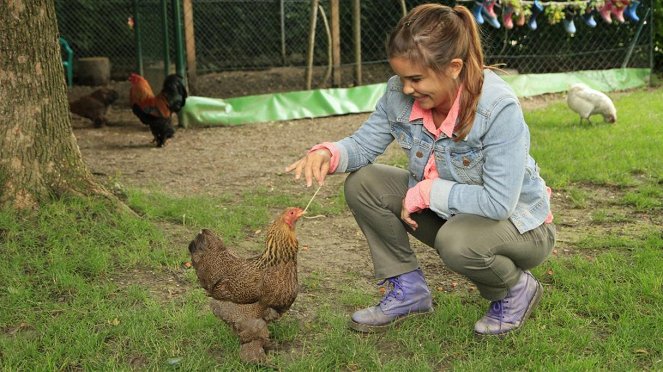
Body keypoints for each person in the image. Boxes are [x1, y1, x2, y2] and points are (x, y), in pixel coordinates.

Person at [286, 3, 556, 336]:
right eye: (401, 77)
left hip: (520, 226)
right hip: (455, 213)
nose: (407, 88)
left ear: (454, 67)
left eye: (416, 78)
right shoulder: (400, 94)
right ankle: (408, 290)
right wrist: (329, 153)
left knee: (456, 242)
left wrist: (426, 191)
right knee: (365, 184)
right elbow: (364, 145)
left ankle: (515, 287)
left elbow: (499, 202)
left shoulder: (497, 107)